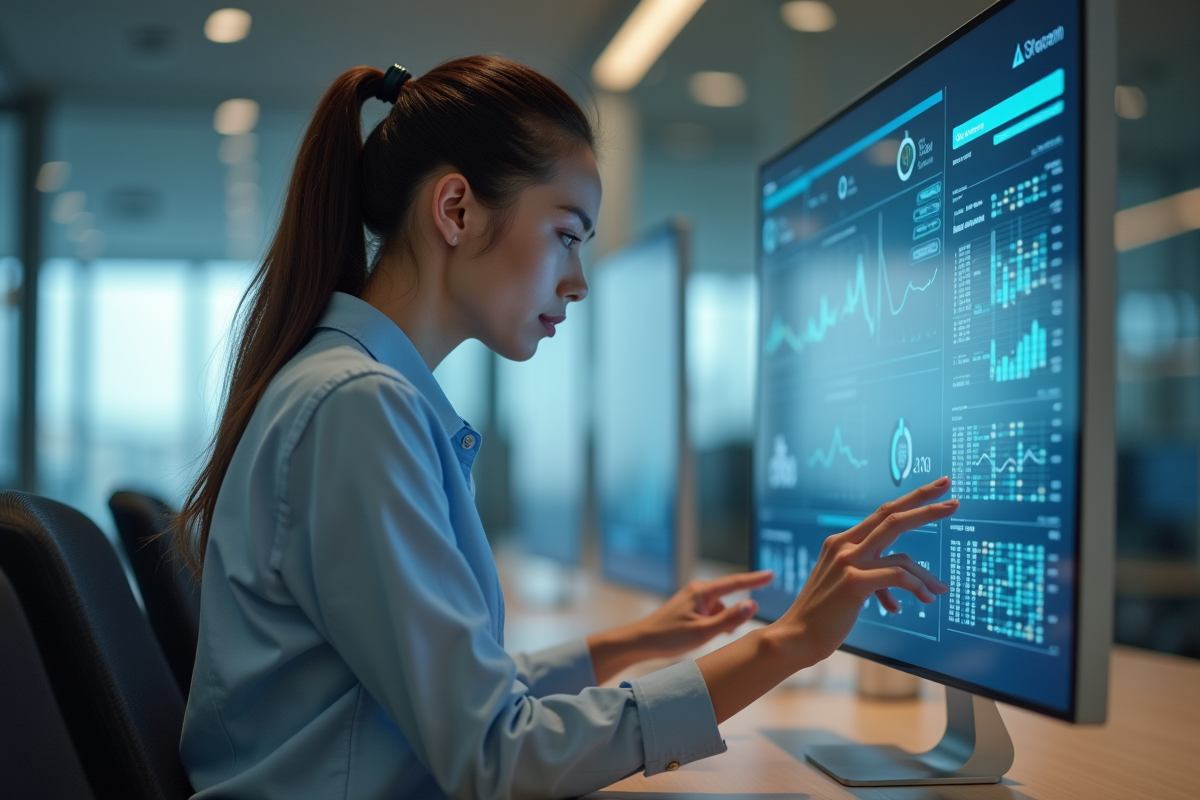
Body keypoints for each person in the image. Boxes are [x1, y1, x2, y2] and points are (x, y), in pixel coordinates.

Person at [173, 56, 955, 800]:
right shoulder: (357, 408)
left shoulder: (354, 393)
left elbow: (448, 703)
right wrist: (783, 647)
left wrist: (631, 642)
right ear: (456, 210)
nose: (579, 282)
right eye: (568, 235)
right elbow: (496, 758)